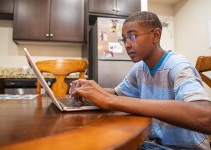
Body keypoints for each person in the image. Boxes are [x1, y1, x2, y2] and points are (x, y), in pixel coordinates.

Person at [70, 11, 211, 149]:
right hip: (152, 144)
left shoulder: (177, 66)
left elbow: (206, 116)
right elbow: (118, 94)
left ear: (155, 36)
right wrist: (91, 91)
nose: (127, 44)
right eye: (124, 39)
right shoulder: (140, 68)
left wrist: (109, 100)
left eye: (132, 36)